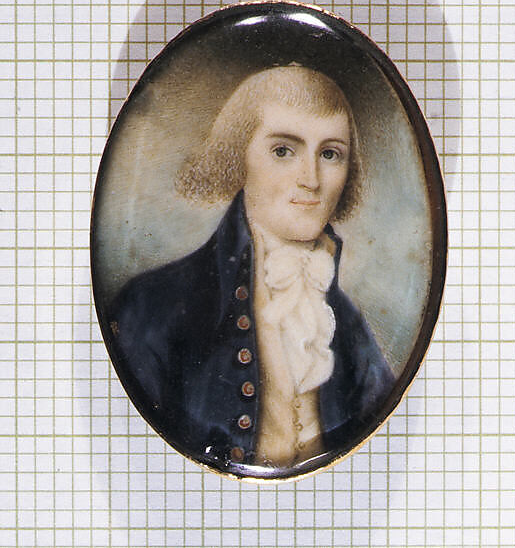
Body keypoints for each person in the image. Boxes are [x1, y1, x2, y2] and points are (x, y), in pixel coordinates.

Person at [109, 65, 395, 474]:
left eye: (330, 154)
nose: (311, 180)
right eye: (283, 151)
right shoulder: (152, 307)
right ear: (238, 155)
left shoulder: (346, 326)